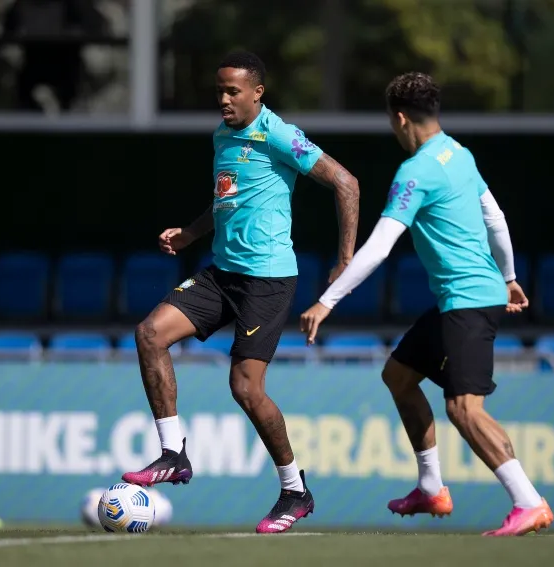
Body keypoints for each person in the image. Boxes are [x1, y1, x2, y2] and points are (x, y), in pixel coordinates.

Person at [299, 72, 554, 537]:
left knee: (463, 409)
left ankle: (528, 501)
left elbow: (378, 247)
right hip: (469, 295)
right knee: (398, 375)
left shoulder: (414, 172)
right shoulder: (459, 153)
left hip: (467, 300)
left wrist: (327, 301)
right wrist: (510, 276)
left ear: (399, 118)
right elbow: (495, 218)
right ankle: (432, 486)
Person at [121, 51, 361, 534]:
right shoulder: (222, 137)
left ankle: (295, 490)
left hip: (266, 281)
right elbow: (225, 200)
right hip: (221, 273)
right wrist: (190, 235)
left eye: (233, 91)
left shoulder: (278, 134)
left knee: (246, 388)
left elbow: (345, 182)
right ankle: (173, 454)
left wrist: (346, 258)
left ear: (258, 93)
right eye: (219, 91)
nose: (225, 99)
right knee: (149, 334)